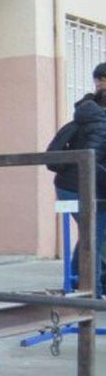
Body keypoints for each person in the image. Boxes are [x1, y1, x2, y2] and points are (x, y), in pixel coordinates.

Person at [48, 62, 106, 294]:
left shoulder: (88, 110)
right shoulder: (96, 116)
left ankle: (78, 284)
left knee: (91, 234)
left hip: (84, 184)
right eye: (99, 79)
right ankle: (89, 288)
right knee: (94, 234)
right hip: (81, 184)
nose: (100, 83)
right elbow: (92, 158)